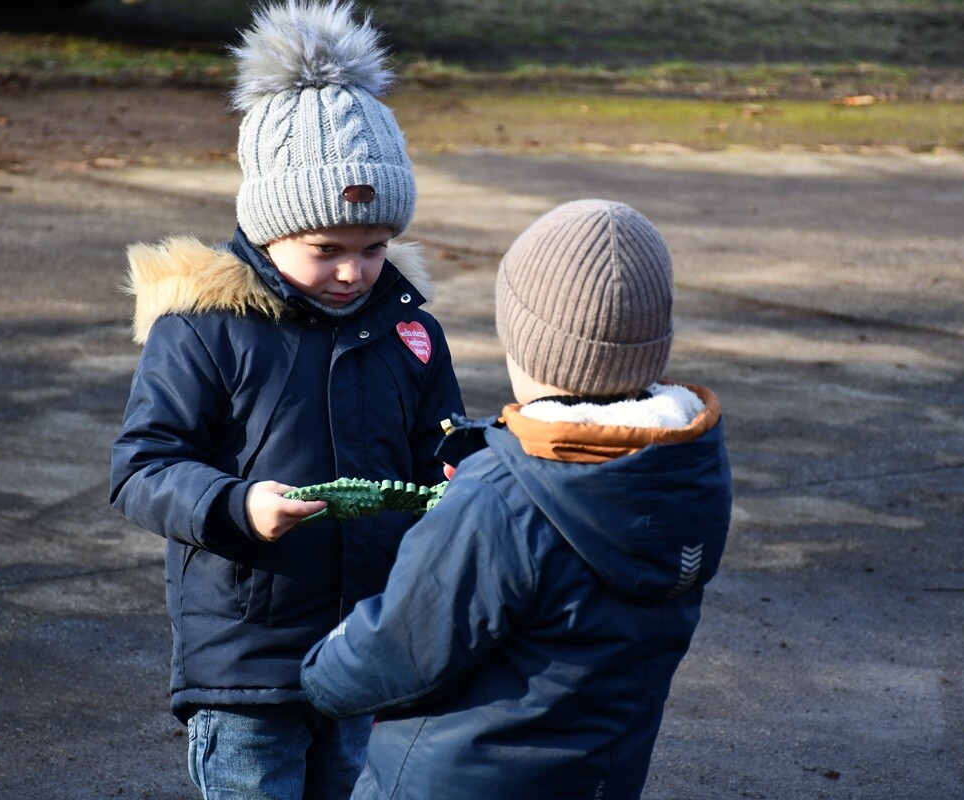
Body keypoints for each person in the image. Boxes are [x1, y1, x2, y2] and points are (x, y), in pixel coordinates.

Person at [108, 2, 464, 798]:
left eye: (374, 249)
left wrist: (456, 483)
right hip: (246, 658)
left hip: (368, 647)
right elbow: (141, 467)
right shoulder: (206, 329)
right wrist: (236, 506)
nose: (354, 271)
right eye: (326, 250)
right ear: (268, 231)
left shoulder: (409, 334)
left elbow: (443, 448)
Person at [300, 198, 733, 799]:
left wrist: (321, 670)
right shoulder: (684, 471)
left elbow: (403, 647)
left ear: (527, 345)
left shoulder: (502, 496)